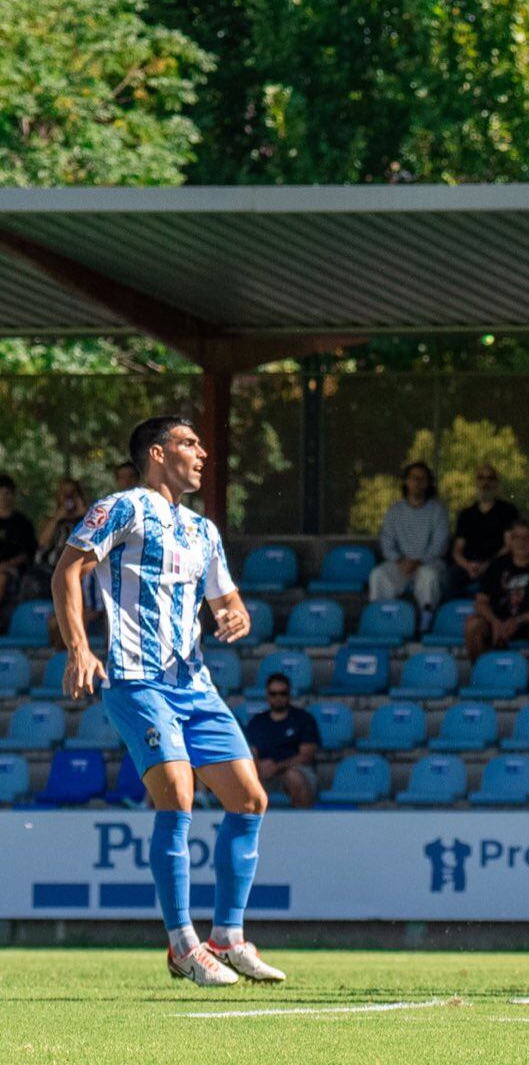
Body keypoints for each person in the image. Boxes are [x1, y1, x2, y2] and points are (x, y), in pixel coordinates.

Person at [51, 415, 285, 987]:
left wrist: (236, 613)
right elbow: (68, 570)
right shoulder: (122, 507)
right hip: (136, 678)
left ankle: (226, 938)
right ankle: (182, 943)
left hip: (194, 684)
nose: (202, 452)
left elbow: (229, 598)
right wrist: (79, 648)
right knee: (178, 794)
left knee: (250, 800)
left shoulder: (203, 530)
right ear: (157, 454)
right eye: (189, 442)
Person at [465, 521, 529, 665]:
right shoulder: (496, 565)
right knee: (473, 624)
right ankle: (481, 674)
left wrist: (519, 621)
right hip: (497, 622)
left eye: (527, 538)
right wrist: (495, 622)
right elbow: (480, 602)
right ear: (510, 541)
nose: (522, 543)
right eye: (517, 537)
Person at [368, 462, 450, 613]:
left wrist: (418, 562)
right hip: (401, 566)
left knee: (429, 577)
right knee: (378, 575)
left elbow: (440, 545)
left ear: (428, 483)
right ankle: (381, 619)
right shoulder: (394, 511)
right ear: (406, 481)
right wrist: (400, 561)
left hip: (428, 565)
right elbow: (387, 543)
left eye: (422, 479)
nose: (417, 483)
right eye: (413, 478)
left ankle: (426, 624)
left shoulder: (438, 511)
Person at [244, 676, 320, 810]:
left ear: (289, 694)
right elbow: (251, 753)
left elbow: (306, 755)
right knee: (242, 779)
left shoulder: (303, 719)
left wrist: (277, 766)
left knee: (294, 777)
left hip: (296, 769)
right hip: (264, 773)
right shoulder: (257, 722)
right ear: (267, 695)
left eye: (283, 693)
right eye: (273, 694)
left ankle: (303, 826)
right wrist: (259, 766)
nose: (278, 697)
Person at [450, 463, 521, 590]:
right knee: (450, 577)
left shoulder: (507, 511)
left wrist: (487, 565)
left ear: (497, 483)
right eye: (481, 478)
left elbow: (509, 545)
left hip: (497, 565)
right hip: (469, 566)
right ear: (476, 482)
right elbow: (457, 550)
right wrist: (468, 566)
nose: (486, 482)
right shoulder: (466, 514)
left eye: (490, 478)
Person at [30, 476, 89, 597]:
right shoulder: (51, 520)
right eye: (65, 494)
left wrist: (83, 516)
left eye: (72, 493)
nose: (69, 498)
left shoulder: (86, 520)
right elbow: (42, 542)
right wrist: (57, 518)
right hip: (47, 567)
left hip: (74, 567)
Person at [0, 475, 37, 602]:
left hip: (13, 569)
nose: (3, 497)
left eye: (7, 493)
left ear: (13, 495)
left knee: (2, 577)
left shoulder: (22, 523)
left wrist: (7, 564)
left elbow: (28, 552)